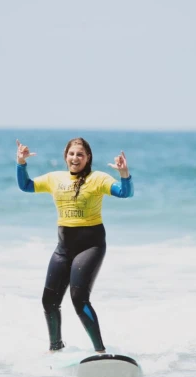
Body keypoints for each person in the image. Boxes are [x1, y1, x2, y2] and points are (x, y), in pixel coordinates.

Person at [16, 137, 134, 353]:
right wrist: (21, 163)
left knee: (79, 299)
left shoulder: (98, 179)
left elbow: (125, 193)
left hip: (91, 246)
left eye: (80, 154)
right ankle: (55, 348)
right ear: (65, 156)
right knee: (49, 301)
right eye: (71, 154)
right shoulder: (55, 179)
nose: (75, 158)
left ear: (88, 157)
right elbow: (26, 186)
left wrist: (124, 174)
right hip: (63, 248)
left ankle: (100, 352)